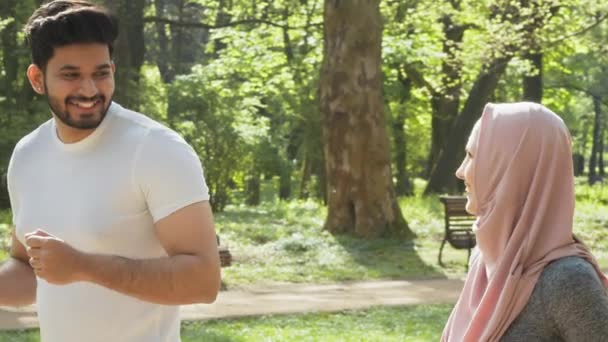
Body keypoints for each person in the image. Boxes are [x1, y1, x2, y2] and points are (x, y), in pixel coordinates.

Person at [2, 1, 221, 341]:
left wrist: (83, 266)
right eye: (71, 75)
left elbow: (204, 281)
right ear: (37, 78)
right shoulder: (28, 155)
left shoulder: (157, 150)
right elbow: (30, 271)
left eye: (101, 73)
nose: (89, 91)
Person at [442, 102, 608, 341]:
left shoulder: (567, 280)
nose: (460, 170)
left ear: (510, 168)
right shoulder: (486, 261)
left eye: (471, 155)